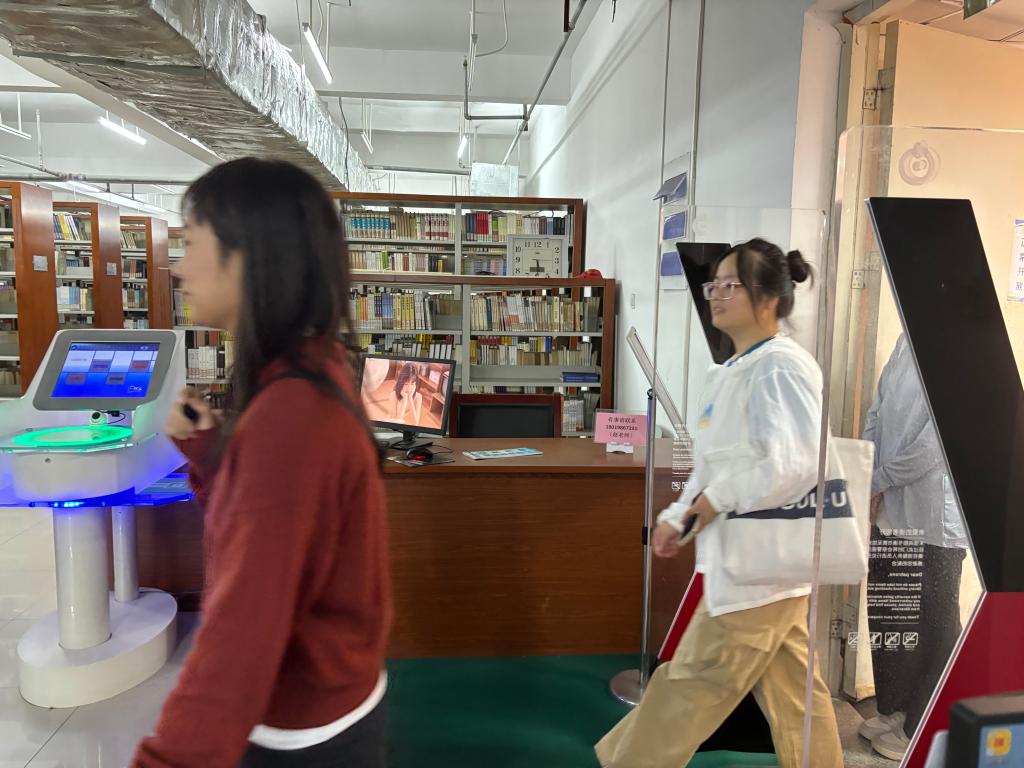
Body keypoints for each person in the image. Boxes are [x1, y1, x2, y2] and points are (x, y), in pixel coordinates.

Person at [131, 158, 392, 768]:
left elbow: (241, 631)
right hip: (330, 700)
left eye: (191, 242)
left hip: (301, 728)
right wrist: (212, 452)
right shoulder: (313, 369)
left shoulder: (290, 414)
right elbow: (272, 531)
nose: (177, 266)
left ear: (247, 256)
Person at [595, 238, 843, 768]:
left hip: (759, 572)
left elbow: (796, 463)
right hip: (758, 567)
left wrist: (711, 502)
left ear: (768, 298)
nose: (715, 295)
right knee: (798, 700)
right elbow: (713, 467)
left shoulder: (780, 367)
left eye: (731, 285)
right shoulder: (730, 370)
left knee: (687, 686)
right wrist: (677, 516)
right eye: (715, 284)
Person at [859, 333, 968, 761]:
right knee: (893, 612)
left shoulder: (957, 344)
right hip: (891, 506)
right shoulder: (906, 340)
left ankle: (923, 722)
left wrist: (878, 480)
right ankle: (896, 710)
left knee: (935, 622)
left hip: (933, 515)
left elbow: (935, 443)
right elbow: (877, 411)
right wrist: (866, 472)